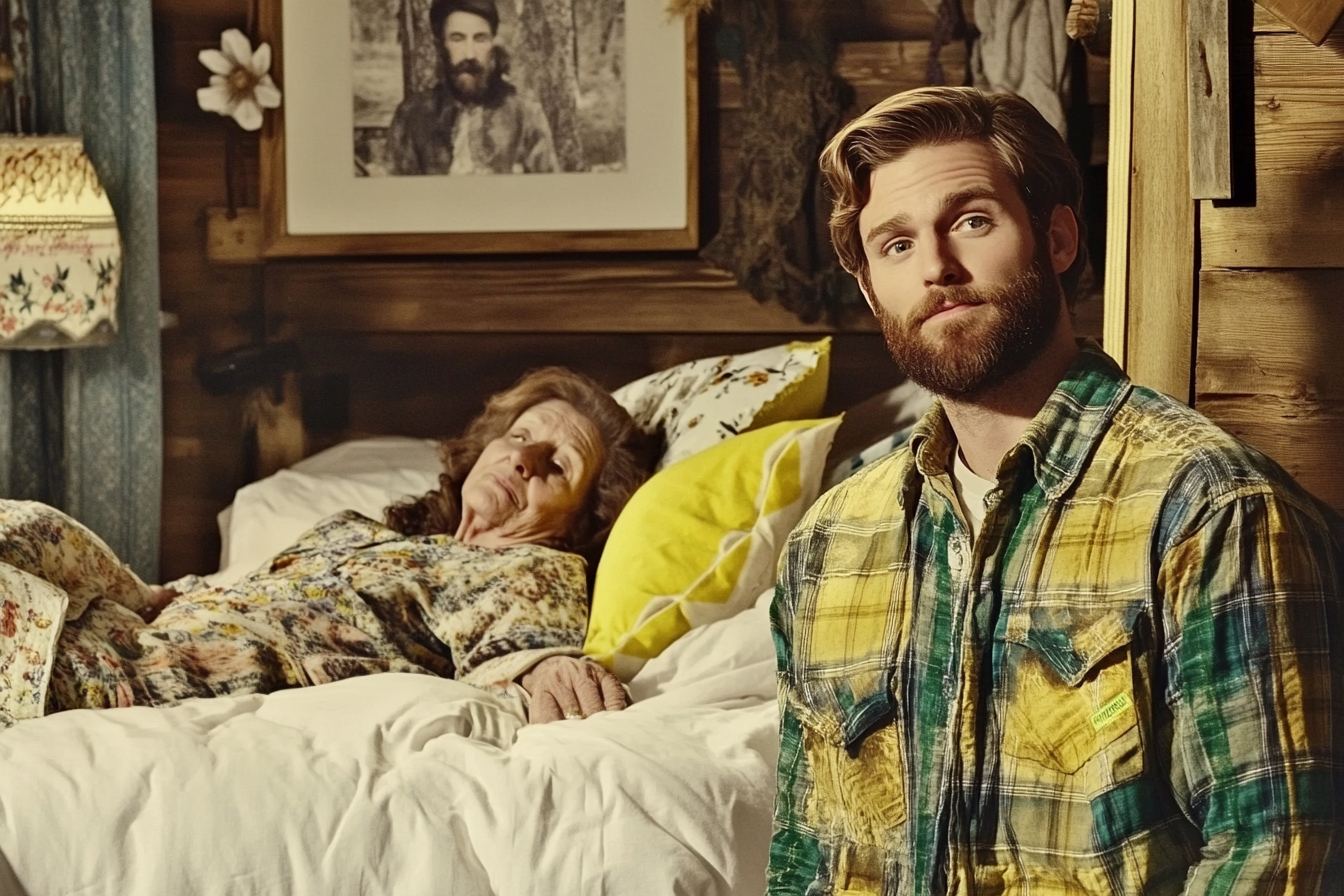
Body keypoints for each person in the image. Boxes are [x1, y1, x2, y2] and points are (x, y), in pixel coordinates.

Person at [768, 86, 1344, 894]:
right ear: (871, 292)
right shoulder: (826, 546)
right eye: (895, 245)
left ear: (1059, 238)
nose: (937, 267)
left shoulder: (1213, 510)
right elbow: (805, 856)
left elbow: (1279, 859)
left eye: (971, 221)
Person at [0, 368, 651, 728]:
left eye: (558, 465)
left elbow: (530, 644)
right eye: (521, 434)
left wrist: (546, 665)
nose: (524, 458)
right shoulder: (380, 533)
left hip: (144, 674)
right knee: (27, 524)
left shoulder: (531, 567)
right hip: (145, 616)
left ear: (578, 522)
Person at [385, 0, 558, 176]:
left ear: (492, 44)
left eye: (480, 38)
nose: (469, 54)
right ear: (440, 46)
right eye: (457, 39)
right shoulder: (412, 116)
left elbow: (548, 195)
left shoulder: (525, 114)